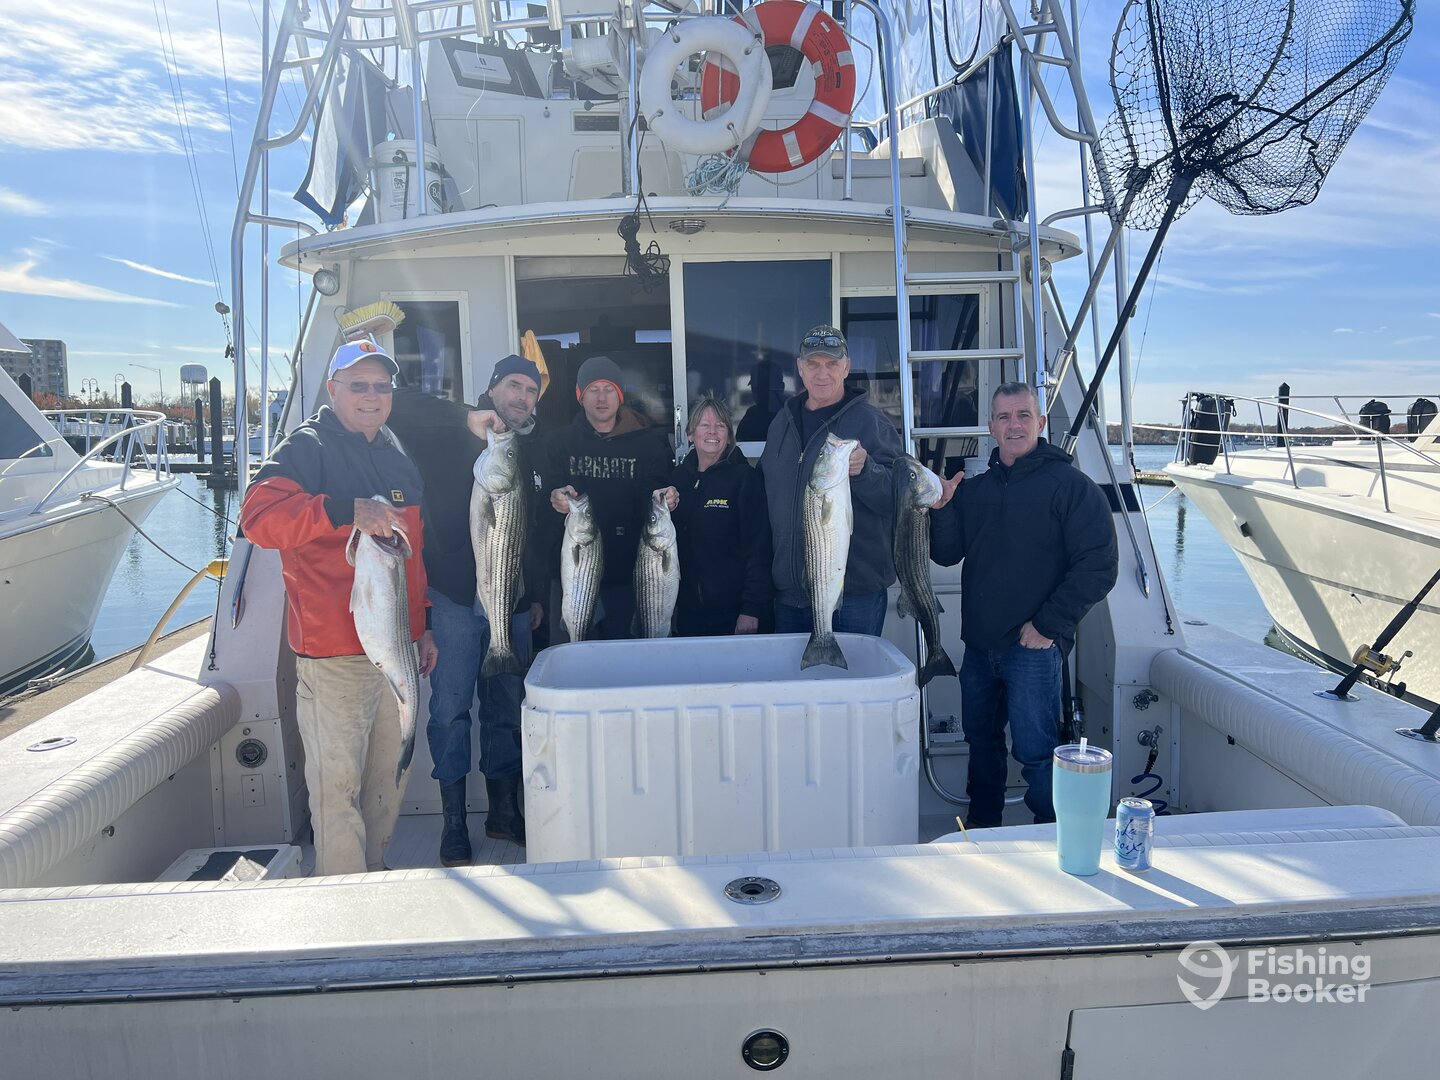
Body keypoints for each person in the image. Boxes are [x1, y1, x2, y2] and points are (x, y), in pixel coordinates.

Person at [240, 339, 438, 876]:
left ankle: (372, 875)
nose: (372, 396)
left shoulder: (396, 454)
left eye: (381, 387)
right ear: (333, 390)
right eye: (359, 386)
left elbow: (412, 558)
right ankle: (343, 898)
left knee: (388, 780)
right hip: (333, 659)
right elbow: (258, 520)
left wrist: (421, 628)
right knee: (337, 790)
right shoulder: (307, 448)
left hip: (397, 652)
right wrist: (343, 510)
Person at [929, 382, 1118, 829]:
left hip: (1034, 649)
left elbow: (1099, 566)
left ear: (1041, 422)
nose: (1013, 425)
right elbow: (946, 554)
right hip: (979, 649)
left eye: (1023, 415)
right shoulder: (974, 491)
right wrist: (942, 508)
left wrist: (1048, 626)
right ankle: (982, 830)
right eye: (1004, 417)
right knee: (982, 744)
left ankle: (1052, 838)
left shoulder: (1072, 487)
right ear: (991, 427)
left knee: (1037, 753)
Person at [385, 354, 547, 863]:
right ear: (493, 388)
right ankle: (452, 821)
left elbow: (535, 532)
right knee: (450, 711)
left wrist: (535, 596)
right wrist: (465, 418)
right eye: (514, 385)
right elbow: (395, 405)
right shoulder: (451, 431)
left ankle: (503, 812)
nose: (522, 397)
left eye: (532, 391)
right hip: (454, 598)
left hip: (511, 601)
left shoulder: (533, 446)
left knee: (506, 708)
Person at [759, 325, 901, 636]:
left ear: (846, 367)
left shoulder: (871, 422)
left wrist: (866, 471)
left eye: (832, 364)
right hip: (789, 596)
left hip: (855, 596)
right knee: (795, 671)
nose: (822, 373)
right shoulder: (780, 424)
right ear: (800, 367)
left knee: (852, 670)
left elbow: (898, 498)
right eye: (813, 364)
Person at [547, 355, 674, 639]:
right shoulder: (558, 443)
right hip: (573, 577)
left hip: (630, 580)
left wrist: (665, 498)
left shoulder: (649, 445)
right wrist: (554, 496)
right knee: (571, 659)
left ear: (620, 396)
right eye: (593, 389)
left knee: (622, 661)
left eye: (609, 389)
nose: (601, 397)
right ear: (580, 395)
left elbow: (655, 493)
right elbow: (543, 494)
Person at [661, 396, 772, 636]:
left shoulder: (745, 479)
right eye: (704, 425)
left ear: (729, 436)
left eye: (720, 425)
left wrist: (751, 609)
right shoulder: (677, 480)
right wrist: (658, 505)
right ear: (690, 434)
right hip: (688, 613)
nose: (712, 431)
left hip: (734, 614)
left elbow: (759, 549)